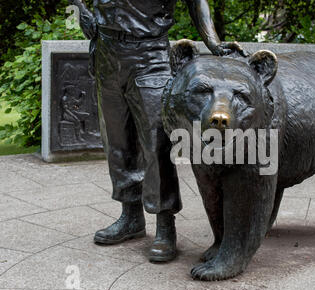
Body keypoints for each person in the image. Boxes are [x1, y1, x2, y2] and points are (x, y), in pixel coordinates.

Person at [69, 0, 244, 263]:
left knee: (156, 143)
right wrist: (82, 9)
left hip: (148, 53)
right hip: (106, 50)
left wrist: (213, 42)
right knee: (117, 140)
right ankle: (130, 216)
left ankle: (165, 225)